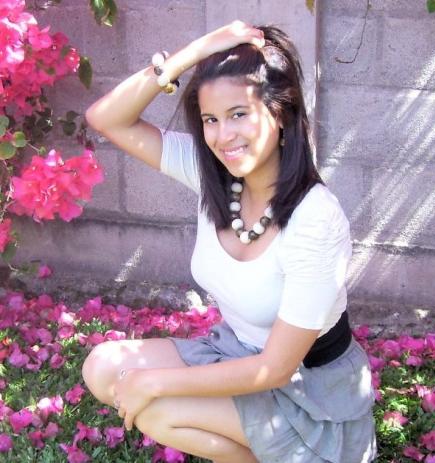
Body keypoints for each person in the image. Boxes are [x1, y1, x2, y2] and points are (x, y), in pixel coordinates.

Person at [82, 20, 377, 463]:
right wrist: (192, 54)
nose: (223, 137)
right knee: (102, 367)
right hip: (235, 353)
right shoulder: (215, 177)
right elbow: (106, 118)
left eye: (239, 114)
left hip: (308, 390)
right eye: (210, 120)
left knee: (160, 410)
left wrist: (154, 381)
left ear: (281, 113)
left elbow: (274, 368)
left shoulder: (316, 219)